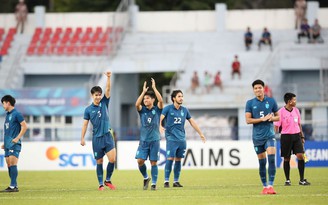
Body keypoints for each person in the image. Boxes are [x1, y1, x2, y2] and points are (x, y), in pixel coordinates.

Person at [160, 90, 206, 188]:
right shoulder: (167, 108)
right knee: (170, 159)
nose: (181, 98)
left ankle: (176, 181)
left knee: (178, 160)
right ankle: (166, 181)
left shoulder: (184, 110)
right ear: (174, 98)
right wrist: (159, 125)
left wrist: (201, 133)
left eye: (182, 96)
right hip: (171, 138)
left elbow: (192, 122)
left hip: (182, 139)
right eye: (179, 96)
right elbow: (161, 117)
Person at [80, 72, 116, 191]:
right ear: (92, 95)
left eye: (100, 95)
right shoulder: (88, 110)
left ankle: (108, 180)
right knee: (99, 161)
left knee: (112, 159)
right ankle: (101, 184)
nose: (98, 97)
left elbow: (108, 89)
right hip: (97, 139)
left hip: (107, 136)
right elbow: (85, 124)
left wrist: (109, 78)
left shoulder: (104, 103)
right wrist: (82, 138)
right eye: (96, 95)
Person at [245, 79, 279, 195]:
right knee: (262, 163)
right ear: (253, 90)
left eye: (259, 87)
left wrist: (271, 118)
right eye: (255, 88)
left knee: (271, 159)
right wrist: (262, 119)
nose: (258, 90)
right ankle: (264, 187)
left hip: (269, 135)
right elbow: (248, 120)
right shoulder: (250, 103)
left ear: (263, 88)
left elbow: (278, 117)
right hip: (257, 138)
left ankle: (271, 186)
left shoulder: (271, 101)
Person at [274, 93, 311, 186]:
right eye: (294, 100)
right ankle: (287, 180)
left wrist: (302, 136)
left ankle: (302, 180)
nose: (295, 101)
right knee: (287, 158)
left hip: (297, 136)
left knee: (300, 156)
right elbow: (276, 127)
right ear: (289, 102)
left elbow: (299, 124)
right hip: (286, 137)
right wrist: (273, 135)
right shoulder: (280, 112)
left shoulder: (296, 111)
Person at [135, 78, 164, 191]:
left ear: (152, 99)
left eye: (147, 98)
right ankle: (146, 178)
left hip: (155, 140)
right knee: (140, 161)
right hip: (143, 141)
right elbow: (137, 104)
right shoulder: (142, 110)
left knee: (153, 162)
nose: (145, 100)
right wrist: (143, 92)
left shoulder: (157, 109)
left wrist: (154, 88)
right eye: (145, 98)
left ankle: (154, 184)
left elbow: (161, 101)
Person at [0, 95, 28, 192]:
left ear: (8, 103)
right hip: (8, 144)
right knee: (8, 164)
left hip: (15, 143)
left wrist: (17, 138)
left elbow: (24, 126)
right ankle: (13, 185)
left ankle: (13, 186)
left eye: (3, 103)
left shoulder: (17, 114)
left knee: (12, 163)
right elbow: (8, 131)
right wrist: (5, 143)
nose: (2, 105)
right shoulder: (7, 115)